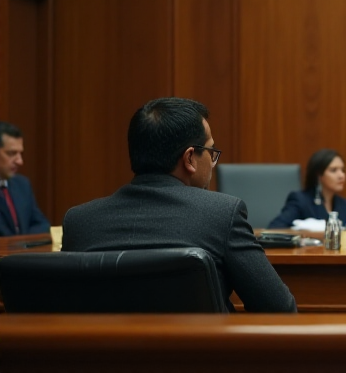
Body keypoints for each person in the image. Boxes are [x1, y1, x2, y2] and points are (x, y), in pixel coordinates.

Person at [62, 97, 296, 312]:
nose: (213, 163)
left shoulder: (79, 221)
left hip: (104, 356)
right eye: (211, 151)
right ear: (190, 158)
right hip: (196, 355)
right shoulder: (222, 214)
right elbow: (279, 309)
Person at [268, 149, 346, 228]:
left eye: (343, 170)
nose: (341, 175)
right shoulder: (300, 200)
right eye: (333, 170)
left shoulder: (345, 205)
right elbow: (275, 227)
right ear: (318, 175)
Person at [0, 122, 50, 236]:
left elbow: (42, 224)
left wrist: (21, 244)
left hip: (22, 253)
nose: (19, 161)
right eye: (12, 153)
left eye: (20, 153)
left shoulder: (22, 185)